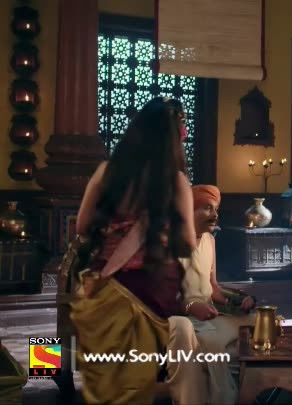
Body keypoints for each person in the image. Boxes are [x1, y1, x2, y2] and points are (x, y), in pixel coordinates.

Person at [71, 97, 202, 404]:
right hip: (153, 288)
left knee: (106, 383)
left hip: (105, 286)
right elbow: (188, 243)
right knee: (135, 383)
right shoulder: (176, 181)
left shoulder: (106, 172)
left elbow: (82, 226)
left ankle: (55, 381)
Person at [179, 184, 256, 404]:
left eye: (216, 209)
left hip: (210, 314)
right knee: (212, 341)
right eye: (207, 208)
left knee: (259, 321)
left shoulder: (210, 241)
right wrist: (191, 307)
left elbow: (213, 287)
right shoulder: (171, 243)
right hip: (184, 318)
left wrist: (239, 300)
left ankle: (249, 386)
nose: (214, 215)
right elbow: (160, 298)